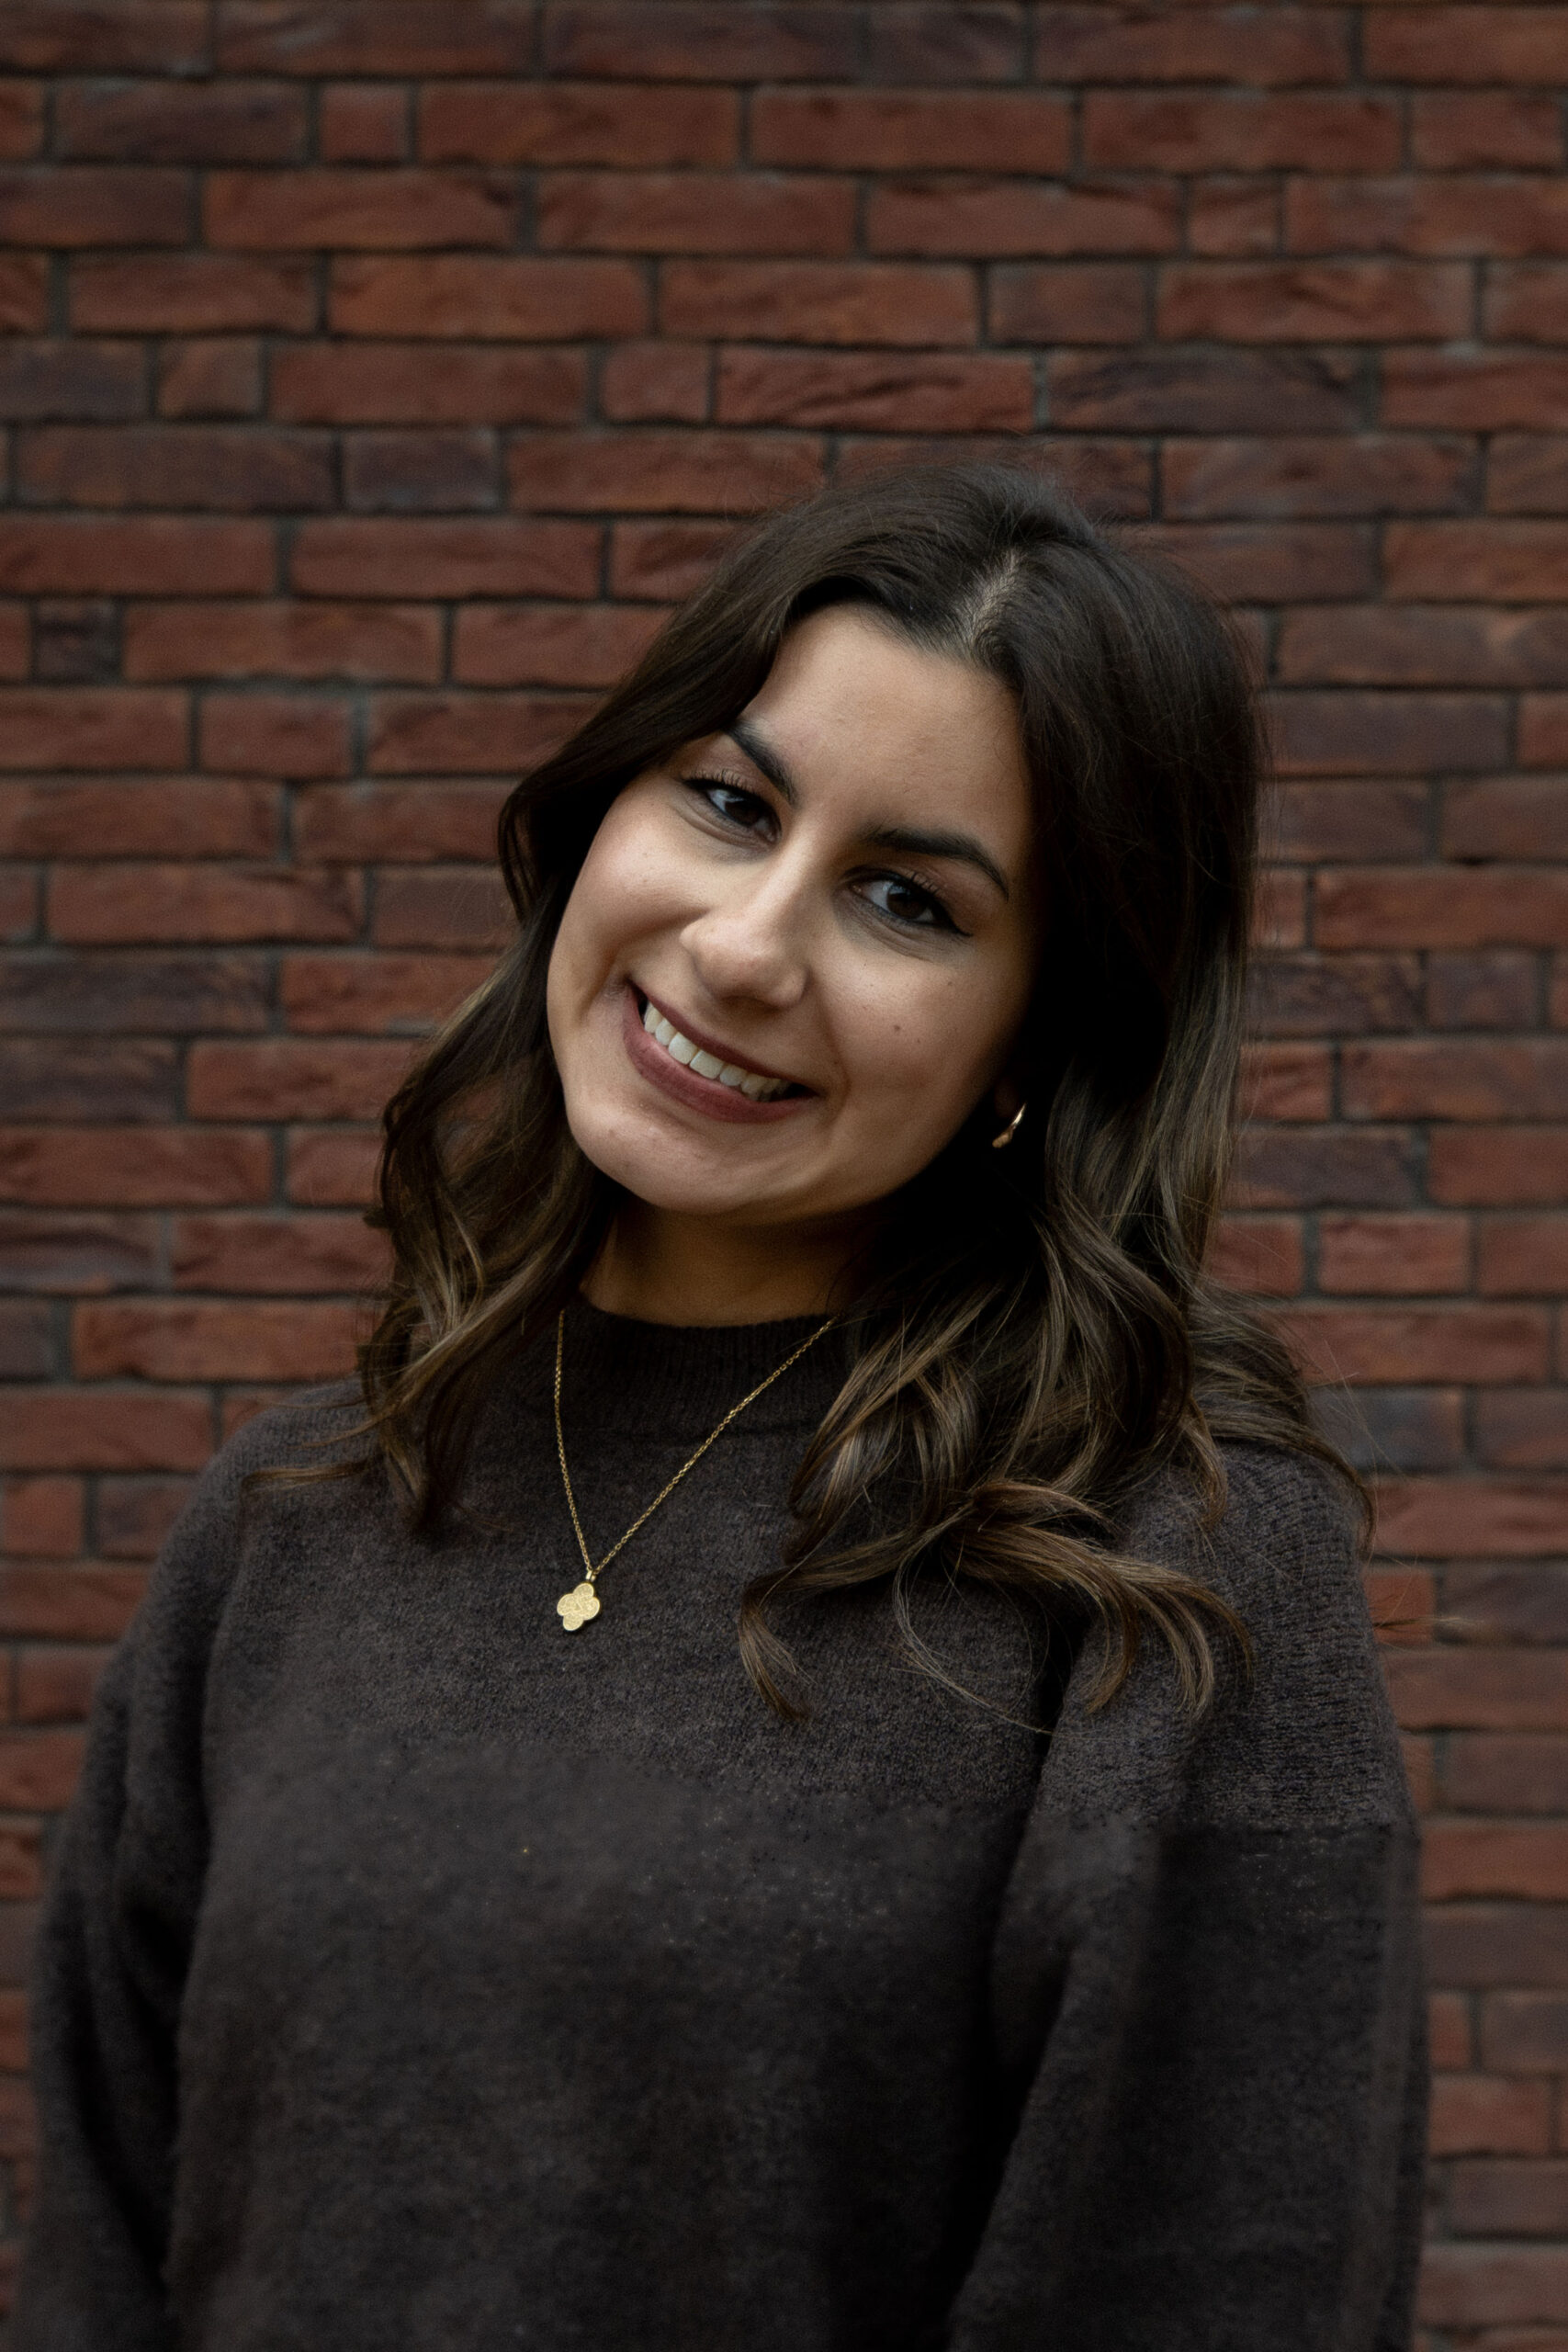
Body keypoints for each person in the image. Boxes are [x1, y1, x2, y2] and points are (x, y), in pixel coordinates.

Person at [15, 462, 1425, 2351]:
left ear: (1040, 1040)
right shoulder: (296, 1519)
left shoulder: (1165, 1569)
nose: (746, 947)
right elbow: (101, 2265)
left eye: (906, 900)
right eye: (730, 803)